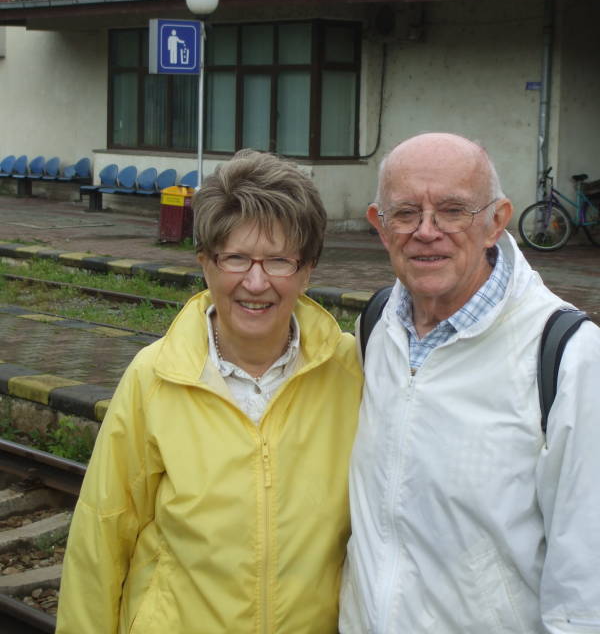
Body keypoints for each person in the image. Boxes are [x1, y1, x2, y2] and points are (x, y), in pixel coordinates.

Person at [56, 149, 362, 634]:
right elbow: (102, 534)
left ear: (307, 270)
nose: (256, 282)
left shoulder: (352, 374)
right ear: (205, 264)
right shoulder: (155, 375)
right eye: (236, 257)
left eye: (279, 260)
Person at [339, 132, 600, 634]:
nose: (426, 231)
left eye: (453, 210)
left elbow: (586, 586)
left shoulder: (565, 354)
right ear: (380, 225)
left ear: (496, 222)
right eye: (406, 212)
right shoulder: (375, 328)